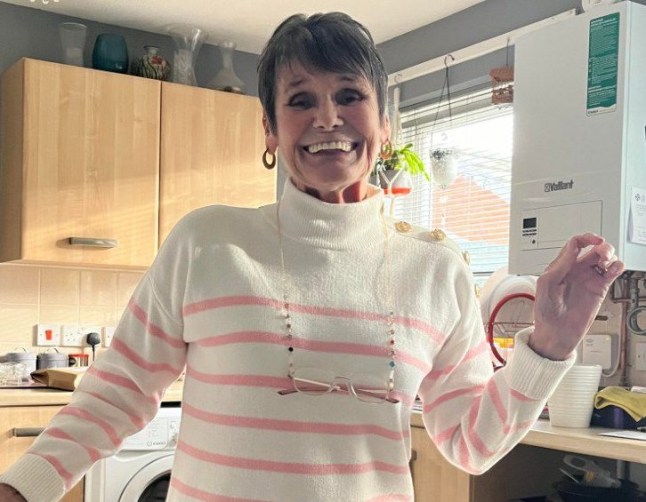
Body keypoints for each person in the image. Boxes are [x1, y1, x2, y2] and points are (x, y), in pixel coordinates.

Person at [0, 12, 623, 502]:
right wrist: (20, 488)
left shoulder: (438, 270)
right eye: (300, 100)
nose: (328, 118)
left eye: (349, 95)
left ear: (385, 125)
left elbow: (470, 444)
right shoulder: (207, 243)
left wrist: (550, 345)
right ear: (270, 130)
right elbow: (116, 395)